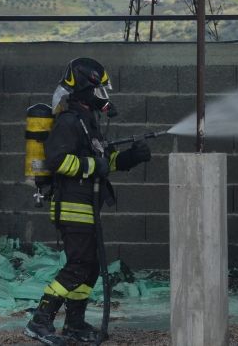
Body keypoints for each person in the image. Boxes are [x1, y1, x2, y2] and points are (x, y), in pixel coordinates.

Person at [24, 58, 152, 346]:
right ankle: (40, 321)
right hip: (72, 205)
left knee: (91, 266)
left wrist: (131, 157)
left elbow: (102, 162)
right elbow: (58, 161)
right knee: (79, 264)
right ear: (84, 87)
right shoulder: (69, 120)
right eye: (99, 90)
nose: (104, 97)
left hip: (86, 205)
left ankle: (75, 323)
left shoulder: (87, 120)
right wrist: (96, 167)